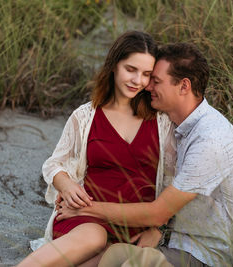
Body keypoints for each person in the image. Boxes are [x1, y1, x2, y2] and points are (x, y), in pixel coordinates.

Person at [56, 43, 233, 267]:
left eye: (156, 80)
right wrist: (160, 230)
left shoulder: (209, 141)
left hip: (200, 255)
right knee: (107, 258)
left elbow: (158, 212)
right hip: (173, 240)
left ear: (183, 86)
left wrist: (85, 208)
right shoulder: (181, 128)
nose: (147, 86)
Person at [17, 31, 176, 266]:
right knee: (95, 237)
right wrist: (67, 184)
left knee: (105, 259)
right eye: (130, 70)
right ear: (113, 66)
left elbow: (175, 182)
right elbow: (54, 164)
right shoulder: (85, 116)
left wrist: (158, 229)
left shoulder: (161, 121)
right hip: (84, 217)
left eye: (146, 74)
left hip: (135, 226)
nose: (138, 81)